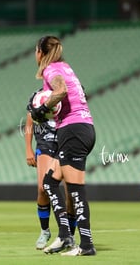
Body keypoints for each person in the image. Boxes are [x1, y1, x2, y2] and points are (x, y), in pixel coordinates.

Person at [27, 36, 96, 256]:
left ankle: (86, 245)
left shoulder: (50, 70)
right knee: (49, 182)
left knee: (75, 190)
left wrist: (42, 108)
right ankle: (65, 236)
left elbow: (61, 91)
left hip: (74, 129)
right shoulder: (64, 66)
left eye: (35, 51)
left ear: (40, 52)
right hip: (80, 127)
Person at [24, 107, 77, 250]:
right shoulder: (38, 95)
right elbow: (30, 120)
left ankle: (69, 237)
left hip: (67, 143)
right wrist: (28, 148)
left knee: (71, 194)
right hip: (45, 143)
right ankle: (45, 231)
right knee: (43, 188)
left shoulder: (69, 90)